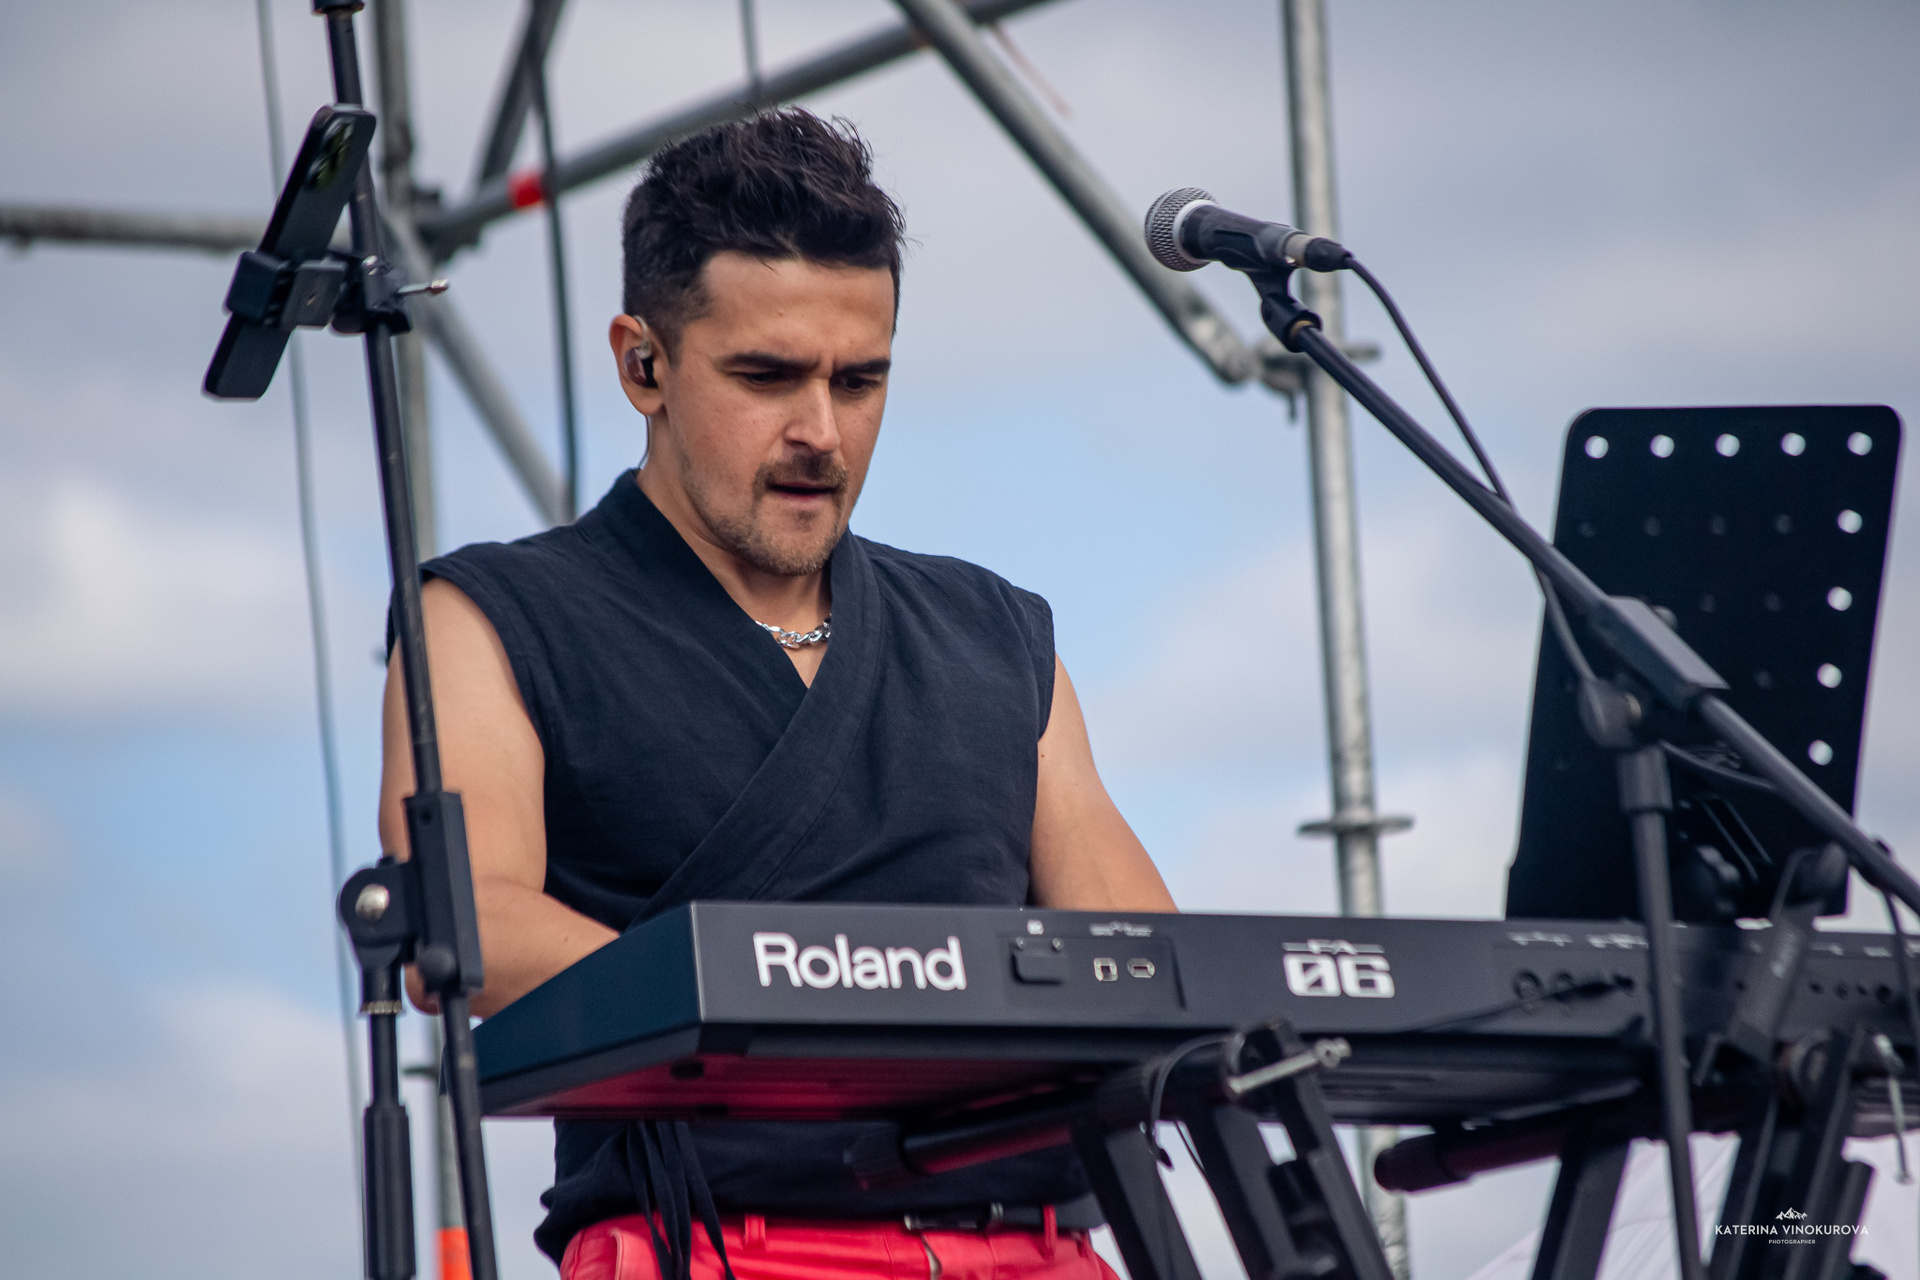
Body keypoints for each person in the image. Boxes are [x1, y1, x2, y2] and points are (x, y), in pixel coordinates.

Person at [379, 108, 1174, 1280]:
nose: (821, 432)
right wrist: (807, 996)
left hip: (1040, 1248)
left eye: (861, 381)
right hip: (709, 1247)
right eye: (766, 375)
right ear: (643, 363)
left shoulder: (998, 633)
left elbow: (1144, 963)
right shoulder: (491, 616)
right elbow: (461, 925)